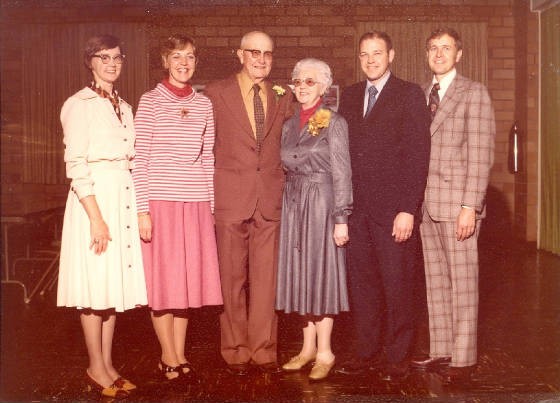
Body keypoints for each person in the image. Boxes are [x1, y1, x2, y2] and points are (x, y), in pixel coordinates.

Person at [336, 31, 431, 381]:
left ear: (391, 55)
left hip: (394, 212)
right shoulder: (349, 96)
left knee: (398, 285)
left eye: (377, 53)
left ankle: (397, 357)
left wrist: (408, 208)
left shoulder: (408, 94)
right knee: (363, 286)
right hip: (357, 211)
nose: (371, 60)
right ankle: (365, 351)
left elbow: (419, 155)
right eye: (364, 54)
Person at [57, 34, 147, 399]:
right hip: (93, 201)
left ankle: (108, 364)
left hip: (121, 196)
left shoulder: (123, 106)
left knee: (112, 289)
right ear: (90, 61)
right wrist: (96, 217)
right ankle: (95, 365)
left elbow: (132, 157)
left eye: (117, 57)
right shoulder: (79, 105)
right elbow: (76, 165)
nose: (112, 63)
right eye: (103, 57)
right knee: (94, 288)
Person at [131, 34, 223, 382]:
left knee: (187, 283)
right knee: (164, 283)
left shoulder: (203, 104)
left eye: (190, 57)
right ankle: (167, 356)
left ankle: (179, 353)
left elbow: (207, 158)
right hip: (161, 202)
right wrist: (142, 210)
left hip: (196, 202)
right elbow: (140, 159)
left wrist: (211, 208)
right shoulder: (151, 100)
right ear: (165, 61)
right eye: (177, 57)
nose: (184, 63)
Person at [204, 31, 293, 375]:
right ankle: (236, 347)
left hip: (269, 198)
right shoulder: (215, 92)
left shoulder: (282, 95)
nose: (261, 59)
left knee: (266, 279)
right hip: (230, 196)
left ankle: (264, 347)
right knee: (231, 278)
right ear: (240, 54)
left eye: (268, 54)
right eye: (254, 52)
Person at [410, 27, 495, 384]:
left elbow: (481, 156)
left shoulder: (473, 93)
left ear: (459, 54)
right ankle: (442, 348)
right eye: (433, 48)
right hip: (426, 205)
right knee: (436, 282)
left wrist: (469, 207)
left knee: (463, 282)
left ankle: (463, 358)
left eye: (446, 48)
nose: (439, 54)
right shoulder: (421, 94)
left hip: (457, 203)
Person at [276, 58, 352, 381]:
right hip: (294, 204)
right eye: (298, 81)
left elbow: (342, 171)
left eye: (310, 81)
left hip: (322, 204)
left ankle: (325, 352)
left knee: (322, 275)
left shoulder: (331, 121)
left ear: (323, 87)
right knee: (301, 277)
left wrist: (341, 217)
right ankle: (307, 349)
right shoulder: (289, 124)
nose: (303, 87)